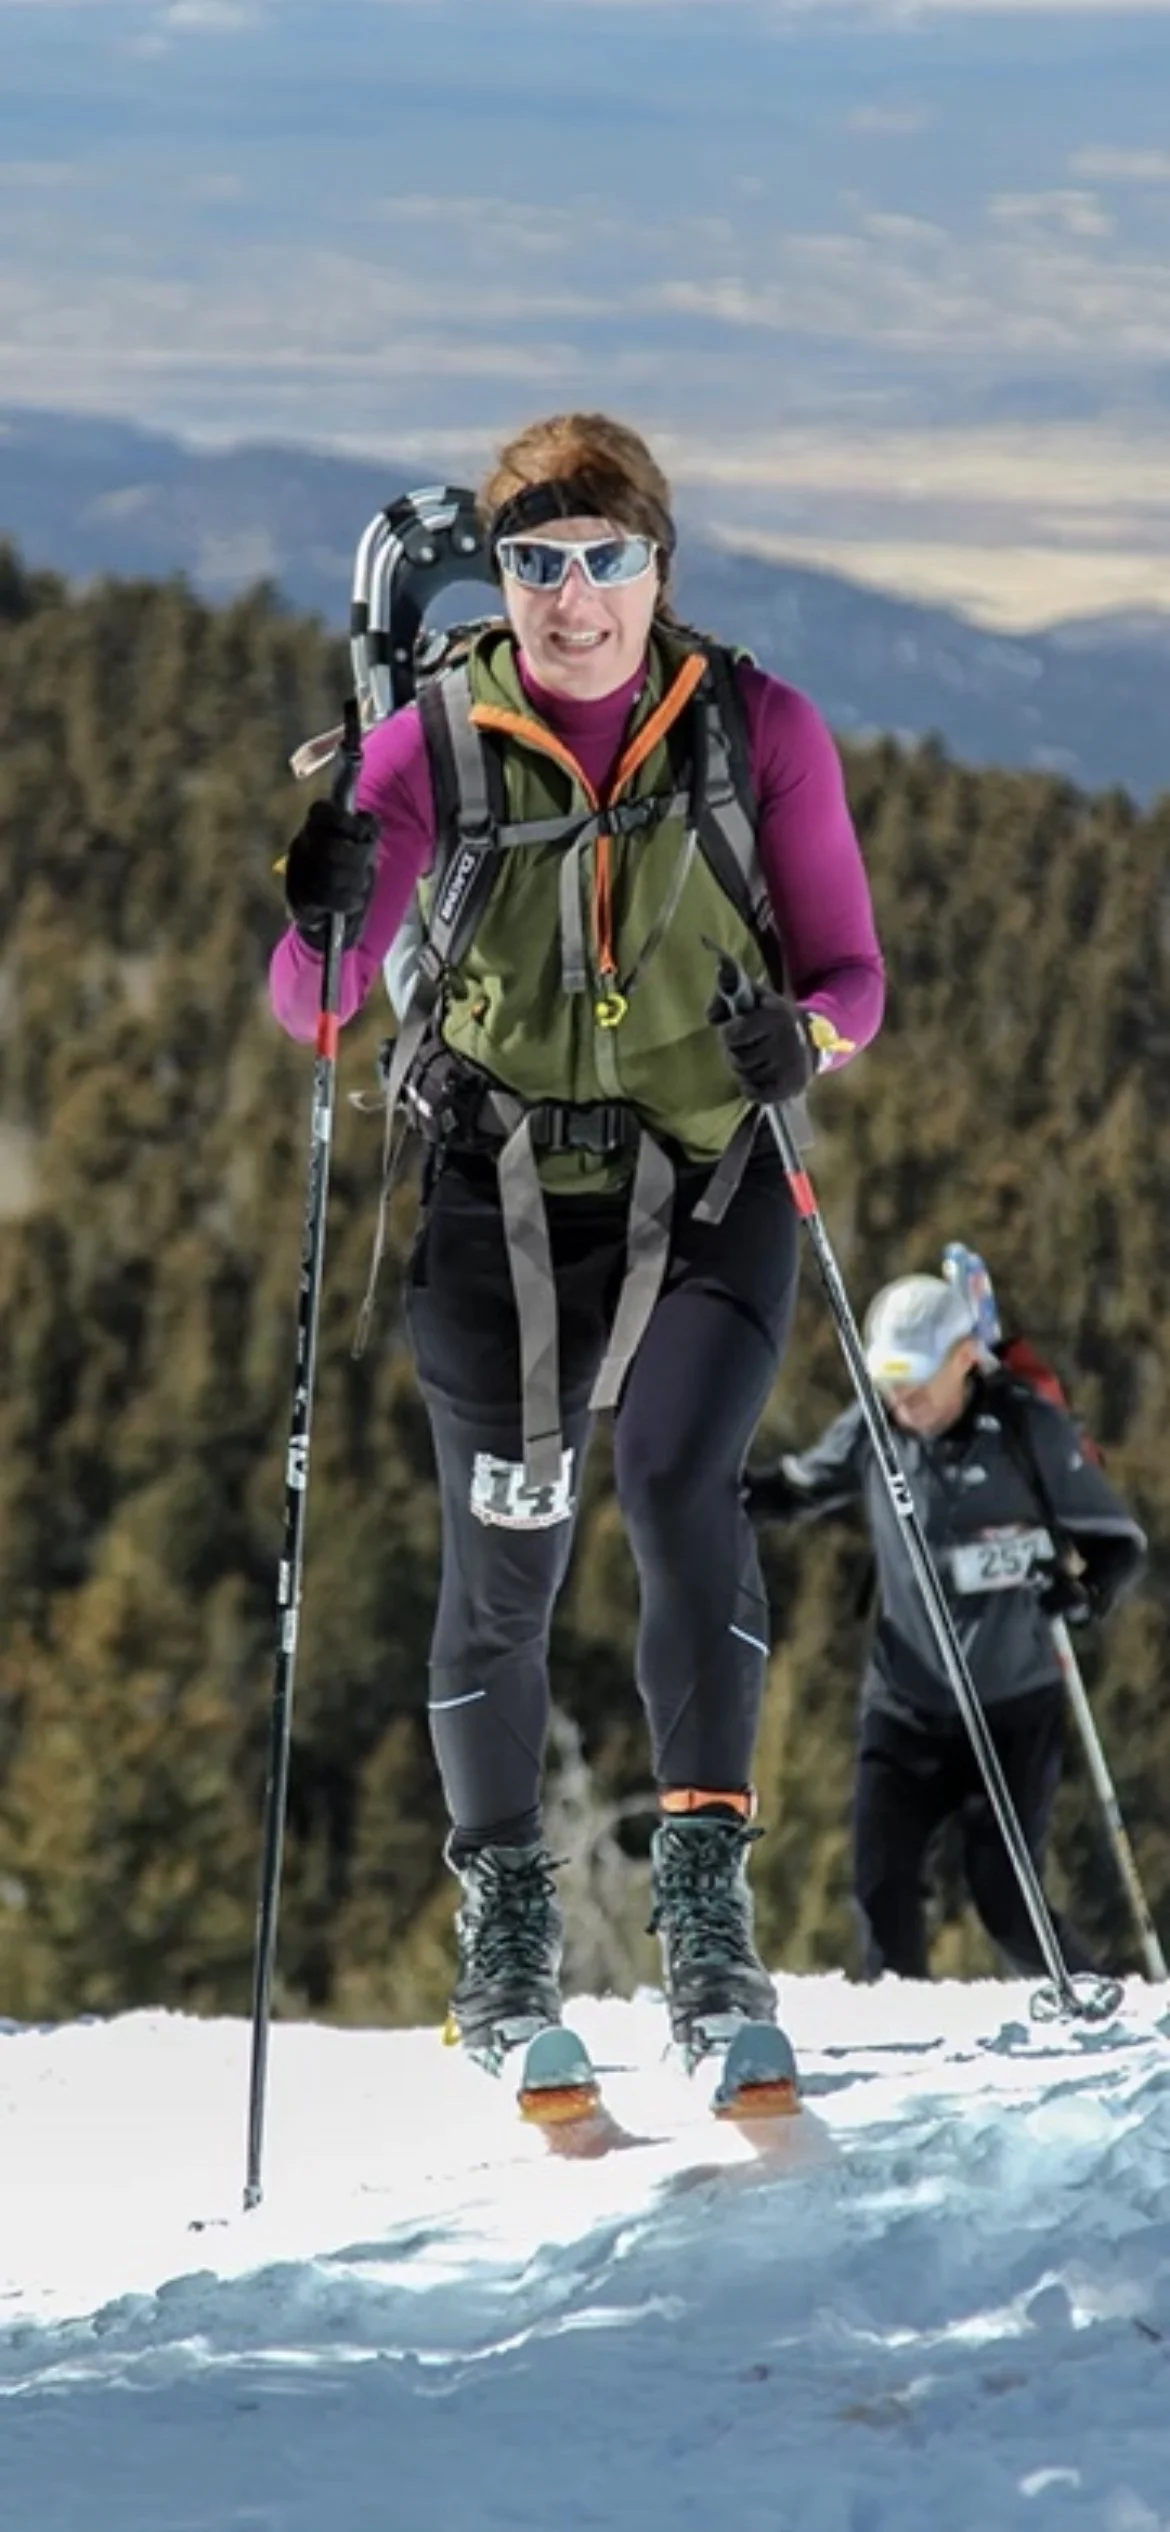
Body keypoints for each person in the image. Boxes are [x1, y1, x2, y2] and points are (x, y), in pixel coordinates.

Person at [268, 410, 885, 2070]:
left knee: (684, 1487)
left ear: (658, 565)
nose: (573, 596)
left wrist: (802, 1049)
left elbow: (853, 980)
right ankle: (509, 1932)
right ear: (505, 577)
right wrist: (323, 902)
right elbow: (309, 1004)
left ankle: (704, 1914)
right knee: (510, 1562)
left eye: (607, 559)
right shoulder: (430, 747)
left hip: (708, 1185)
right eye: (537, 563)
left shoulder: (759, 728)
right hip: (497, 1207)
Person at [746, 1272, 1146, 1982]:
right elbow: (798, 1488)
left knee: (1004, 1894)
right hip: (905, 1706)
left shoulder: (1026, 1429)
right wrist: (716, 1494)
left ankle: (1095, 2005)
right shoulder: (877, 1427)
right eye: (889, 1380)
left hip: (1014, 1707)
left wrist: (1083, 1594)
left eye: (918, 1380)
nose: (903, 1399)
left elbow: (1118, 1544)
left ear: (965, 1358)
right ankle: (906, 2037)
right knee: (881, 1892)